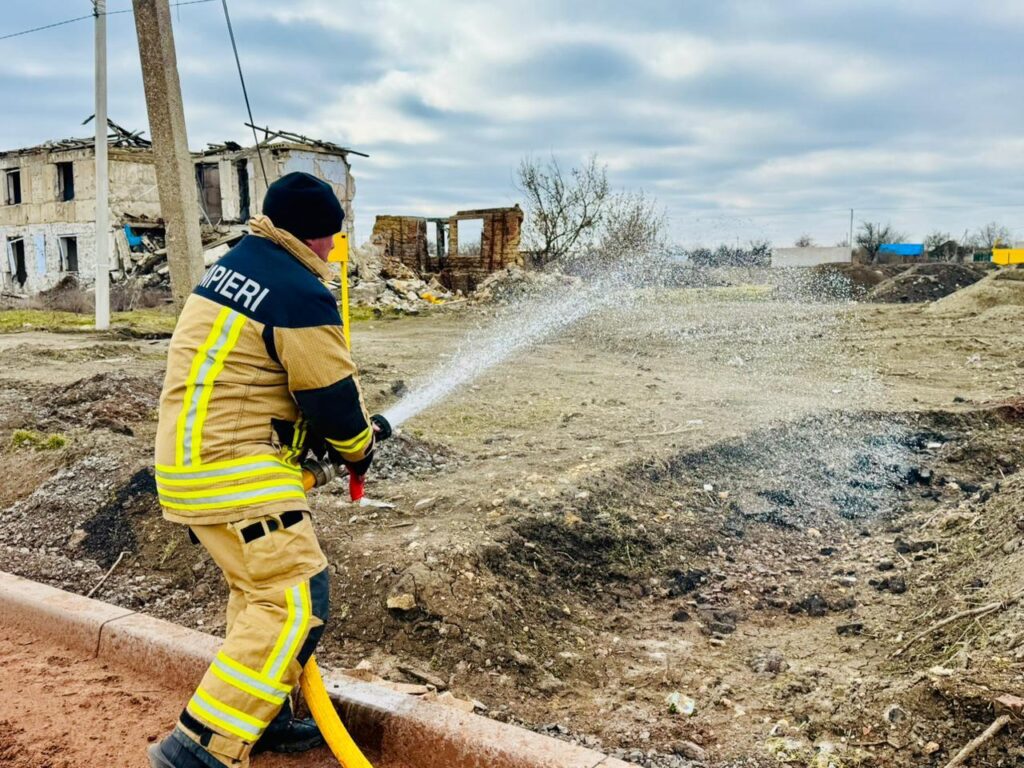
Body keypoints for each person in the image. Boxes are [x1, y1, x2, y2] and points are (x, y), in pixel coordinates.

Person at [149, 172, 388, 768]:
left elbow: (257, 380)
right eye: (330, 238)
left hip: (191, 461)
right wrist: (358, 447)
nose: (334, 250)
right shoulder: (298, 292)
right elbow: (330, 395)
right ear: (309, 236)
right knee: (294, 599)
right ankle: (199, 747)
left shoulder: (235, 266)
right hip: (234, 469)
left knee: (256, 595)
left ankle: (266, 715)